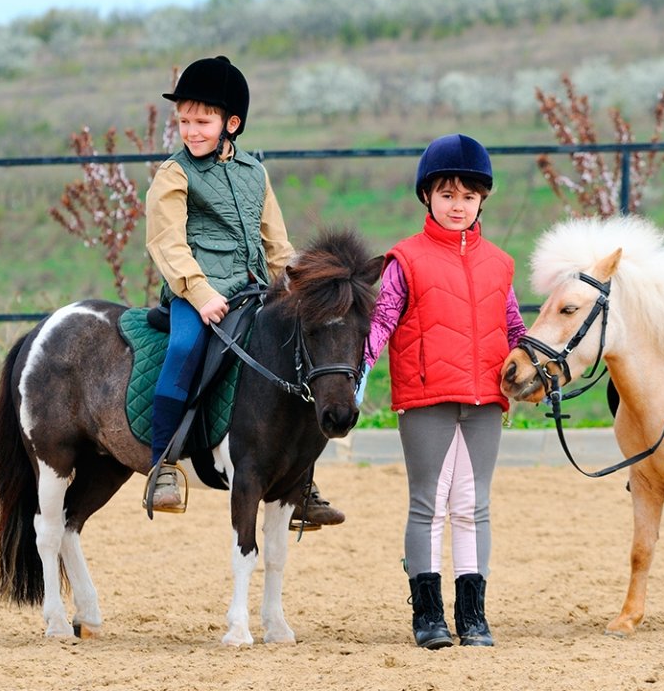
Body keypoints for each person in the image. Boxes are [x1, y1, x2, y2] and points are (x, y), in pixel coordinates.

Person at [144, 55, 343, 526]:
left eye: (203, 121)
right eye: (185, 121)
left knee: (299, 354)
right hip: (200, 293)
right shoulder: (175, 174)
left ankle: (302, 478)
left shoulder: (256, 172)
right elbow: (166, 240)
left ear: (231, 123)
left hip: (255, 289)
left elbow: (277, 243)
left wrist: (298, 288)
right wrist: (198, 292)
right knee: (185, 346)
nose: (191, 131)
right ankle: (163, 464)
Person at [360, 133, 526, 649]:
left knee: (474, 506)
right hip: (426, 397)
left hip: (485, 399)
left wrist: (537, 371)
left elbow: (515, 327)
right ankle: (428, 615)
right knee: (427, 505)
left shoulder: (500, 263)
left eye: (469, 196)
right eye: (448, 195)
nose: (459, 206)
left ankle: (473, 616)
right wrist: (356, 377)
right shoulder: (403, 261)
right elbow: (381, 323)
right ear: (427, 196)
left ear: (482, 200)